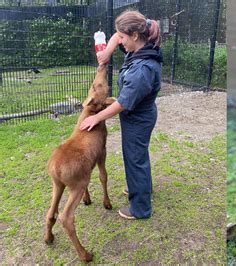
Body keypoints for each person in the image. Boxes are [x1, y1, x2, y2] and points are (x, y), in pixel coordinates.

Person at [80, 10, 163, 220]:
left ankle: (140, 208)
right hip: (138, 116)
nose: (121, 42)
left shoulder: (142, 70)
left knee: (135, 158)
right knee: (138, 156)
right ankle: (142, 187)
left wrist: (96, 117)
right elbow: (117, 36)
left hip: (138, 119)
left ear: (135, 35)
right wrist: (107, 51)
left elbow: (123, 103)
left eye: (124, 38)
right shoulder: (141, 47)